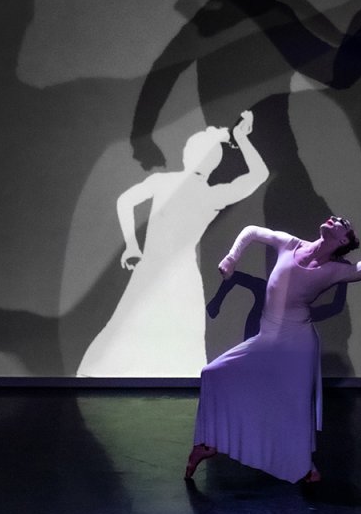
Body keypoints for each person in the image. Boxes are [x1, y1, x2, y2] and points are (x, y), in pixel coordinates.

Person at [185, 205, 361, 483]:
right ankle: (208, 442)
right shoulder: (290, 244)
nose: (333, 219)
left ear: (343, 240)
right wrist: (232, 257)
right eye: (333, 218)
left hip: (298, 341)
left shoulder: (335, 270)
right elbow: (251, 232)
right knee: (212, 373)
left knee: (295, 407)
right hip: (267, 336)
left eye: (340, 223)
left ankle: (304, 467)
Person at [76, 111, 268, 377]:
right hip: (174, 274)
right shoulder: (209, 194)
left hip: (168, 272)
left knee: (143, 330)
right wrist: (240, 138)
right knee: (156, 334)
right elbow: (259, 174)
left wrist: (133, 245)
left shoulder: (177, 186)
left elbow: (126, 202)